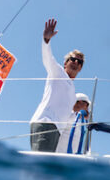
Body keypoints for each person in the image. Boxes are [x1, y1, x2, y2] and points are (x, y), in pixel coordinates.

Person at [30, 18, 85, 152]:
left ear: (81, 68)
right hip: (45, 123)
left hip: (57, 129)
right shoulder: (57, 71)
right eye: (73, 59)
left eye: (79, 61)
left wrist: (81, 115)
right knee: (40, 166)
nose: (76, 62)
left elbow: (66, 116)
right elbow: (47, 58)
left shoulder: (72, 92)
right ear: (65, 63)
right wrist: (46, 41)